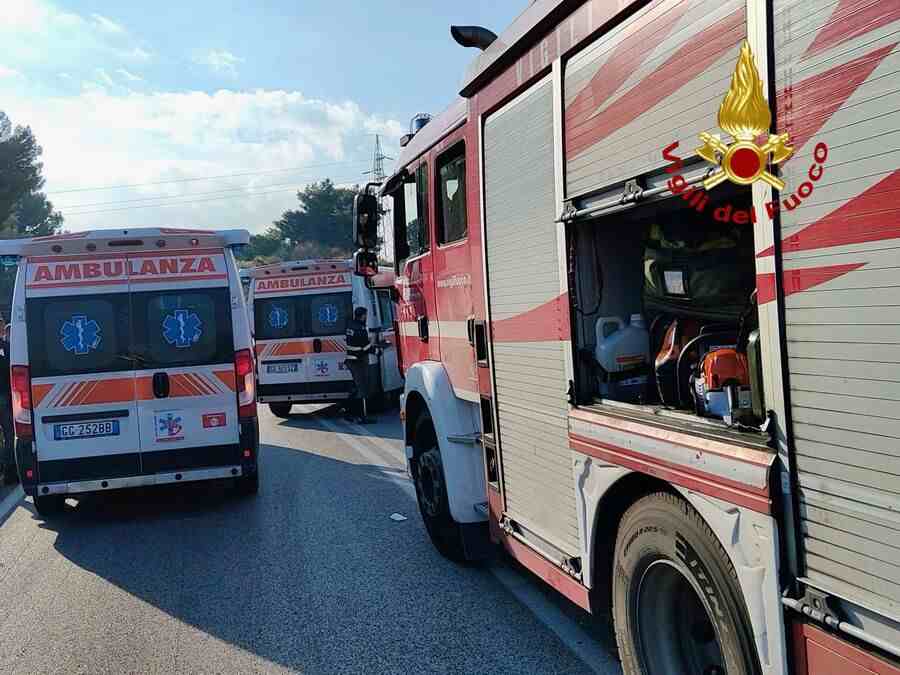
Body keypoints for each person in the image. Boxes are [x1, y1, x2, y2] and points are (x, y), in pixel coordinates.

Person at [345, 306, 376, 424]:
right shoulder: (360, 330)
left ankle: (349, 413)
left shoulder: (351, 326)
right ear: (362, 316)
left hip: (352, 360)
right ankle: (362, 417)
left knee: (356, 388)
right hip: (358, 362)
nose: (366, 317)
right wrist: (377, 349)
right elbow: (365, 348)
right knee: (362, 389)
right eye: (365, 315)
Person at [0, 319, 15, 485]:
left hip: (4, 397)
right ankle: (9, 471)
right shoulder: (6, 348)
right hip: (4, 397)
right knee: (9, 434)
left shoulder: (6, 347)